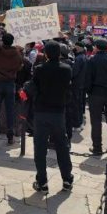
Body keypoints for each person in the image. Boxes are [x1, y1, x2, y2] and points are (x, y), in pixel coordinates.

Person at [31, 41, 74, 193]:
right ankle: (67, 179)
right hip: (59, 112)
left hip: (42, 111)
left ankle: (42, 182)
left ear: (47, 54)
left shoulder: (39, 69)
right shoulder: (67, 69)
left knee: (40, 148)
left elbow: (34, 87)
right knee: (62, 147)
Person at [0, 15, 23, 146]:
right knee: (10, 111)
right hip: (10, 84)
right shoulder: (18, 54)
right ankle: (10, 137)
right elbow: (20, 67)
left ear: (3, 41)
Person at [85, 39, 107, 155]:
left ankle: (97, 147)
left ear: (96, 47)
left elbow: (88, 79)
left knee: (96, 121)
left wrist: (89, 91)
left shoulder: (92, 60)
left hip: (95, 93)